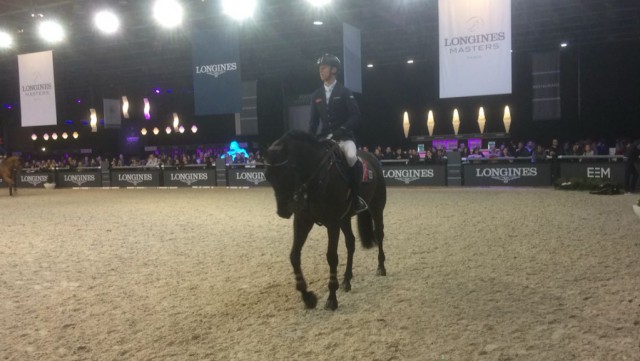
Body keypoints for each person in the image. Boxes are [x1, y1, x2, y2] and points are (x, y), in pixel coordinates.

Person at [309, 53, 367, 213]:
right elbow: (313, 123)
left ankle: (355, 199)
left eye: (324, 68)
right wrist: (309, 140)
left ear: (333, 69)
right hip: (324, 138)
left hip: (344, 138)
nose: (320, 71)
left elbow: (356, 116)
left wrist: (342, 130)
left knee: (351, 158)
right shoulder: (316, 95)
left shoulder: (345, 91)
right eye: (319, 68)